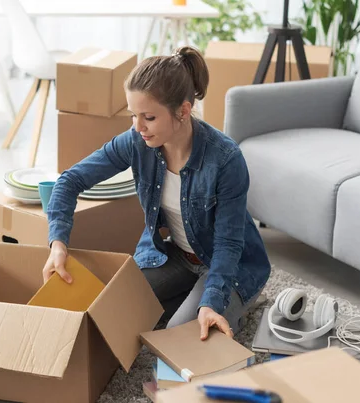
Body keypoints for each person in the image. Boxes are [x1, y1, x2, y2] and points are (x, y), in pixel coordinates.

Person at [43, 46, 271, 340]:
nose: (138, 127)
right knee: (109, 311)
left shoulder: (226, 159)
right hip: (174, 257)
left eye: (148, 117)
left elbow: (228, 245)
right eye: (132, 116)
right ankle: (188, 299)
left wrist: (212, 301)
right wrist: (58, 245)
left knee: (184, 337)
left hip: (227, 264)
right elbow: (69, 181)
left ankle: (233, 302)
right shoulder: (137, 141)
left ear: (183, 111)